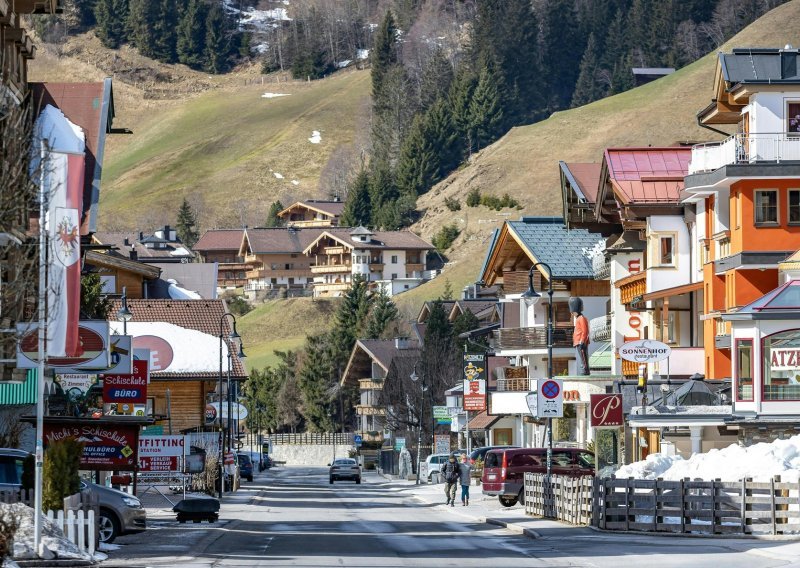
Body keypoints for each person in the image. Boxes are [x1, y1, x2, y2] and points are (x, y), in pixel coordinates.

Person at [573, 309, 590, 376]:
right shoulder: (579, 318)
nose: (572, 314)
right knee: (582, 357)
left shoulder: (581, 318)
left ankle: (585, 370)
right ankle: (584, 369)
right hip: (578, 341)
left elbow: (585, 330)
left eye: (573, 312)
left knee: (583, 357)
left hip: (580, 341)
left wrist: (582, 340)